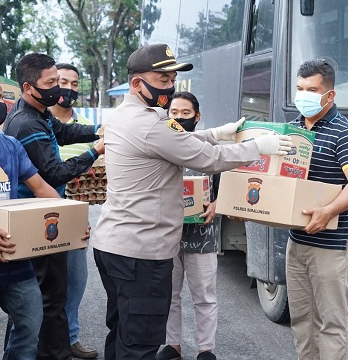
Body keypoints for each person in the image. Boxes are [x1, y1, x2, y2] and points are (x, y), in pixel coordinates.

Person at [90, 43, 292, 360]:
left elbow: (181, 141)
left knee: (121, 332)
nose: (169, 86)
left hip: (114, 245)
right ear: (136, 83)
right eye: (161, 78)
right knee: (139, 345)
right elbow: (207, 159)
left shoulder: (124, 116)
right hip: (141, 254)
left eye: (172, 78)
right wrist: (258, 147)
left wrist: (219, 132)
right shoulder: (149, 124)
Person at [2, 53, 104, 360]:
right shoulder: (25, 123)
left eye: (59, 81)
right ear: (29, 86)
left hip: (47, 211)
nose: (58, 89)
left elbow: (62, 131)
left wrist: (98, 130)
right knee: (47, 298)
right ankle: (46, 352)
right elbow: (53, 172)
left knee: (44, 297)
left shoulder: (39, 111)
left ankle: (38, 351)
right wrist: (94, 151)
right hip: (37, 218)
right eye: (51, 83)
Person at [0, 69, 61, 359]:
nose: (4, 103)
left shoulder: (11, 145)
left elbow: (41, 187)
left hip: (15, 255)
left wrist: (68, 220)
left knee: (31, 323)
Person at [286, 59, 348, 360]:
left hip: (333, 246)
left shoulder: (345, 132)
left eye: (311, 90)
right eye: (299, 89)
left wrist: (329, 211)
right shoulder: (292, 129)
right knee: (302, 321)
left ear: (329, 95)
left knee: (331, 324)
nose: (303, 95)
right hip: (298, 242)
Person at [156, 92, 221, 360]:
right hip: (167, 232)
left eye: (185, 113)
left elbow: (229, 183)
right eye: (174, 113)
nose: (180, 118)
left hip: (202, 234)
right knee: (169, 294)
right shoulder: (161, 144)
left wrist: (218, 204)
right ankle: (173, 345)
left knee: (204, 294)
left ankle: (206, 349)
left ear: (197, 116)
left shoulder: (210, 146)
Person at [48, 62, 99, 359]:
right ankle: (43, 339)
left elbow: (100, 163)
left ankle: (70, 337)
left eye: (74, 83)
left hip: (77, 210)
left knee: (76, 278)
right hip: (45, 208)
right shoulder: (41, 123)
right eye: (63, 82)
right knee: (42, 282)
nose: (69, 88)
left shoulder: (84, 126)